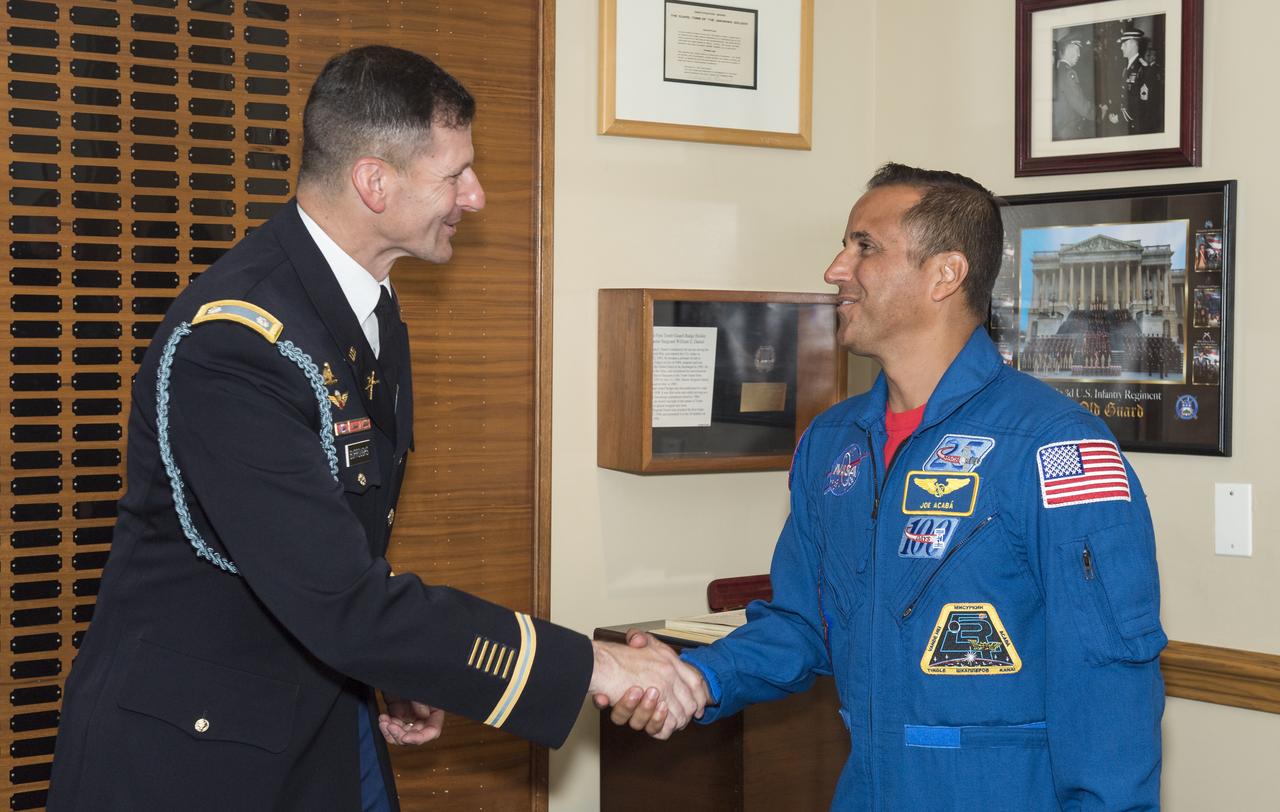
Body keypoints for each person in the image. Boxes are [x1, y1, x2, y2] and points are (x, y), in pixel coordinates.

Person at [47, 46, 707, 811]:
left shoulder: (367, 305)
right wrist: (593, 666)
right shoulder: (234, 345)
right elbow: (341, 598)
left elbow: (335, 555)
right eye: (454, 174)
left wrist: (398, 665)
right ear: (374, 181)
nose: (477, 195)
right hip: (198, 761)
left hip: (322, 712)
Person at [608, 164, 1166, 809]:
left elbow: (1107, 678)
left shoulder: (1054, 445)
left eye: (864, 246)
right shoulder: (833, 441)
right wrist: (698, 679)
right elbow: (804, 622)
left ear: (945, 274)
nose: (836, 269)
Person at [1111, 27, 1163, 134]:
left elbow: (1143, 105)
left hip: (1137, 126)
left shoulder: (1143, 69)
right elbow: (1123, 96)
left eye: (1124, 44)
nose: (1121, 47)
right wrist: (1115, 111)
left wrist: (1120, 117)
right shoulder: (1126, 68)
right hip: (1127, 123)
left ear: (1132, 45)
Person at [1052, 32, 1094, 140]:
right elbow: (1081, 105)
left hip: (1061, 128)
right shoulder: (1068, 73)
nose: (1079, 55)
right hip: (1070, 131)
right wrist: (1099, 114)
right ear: (1069, 50)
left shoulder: (1058, 70)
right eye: (1077, 50)